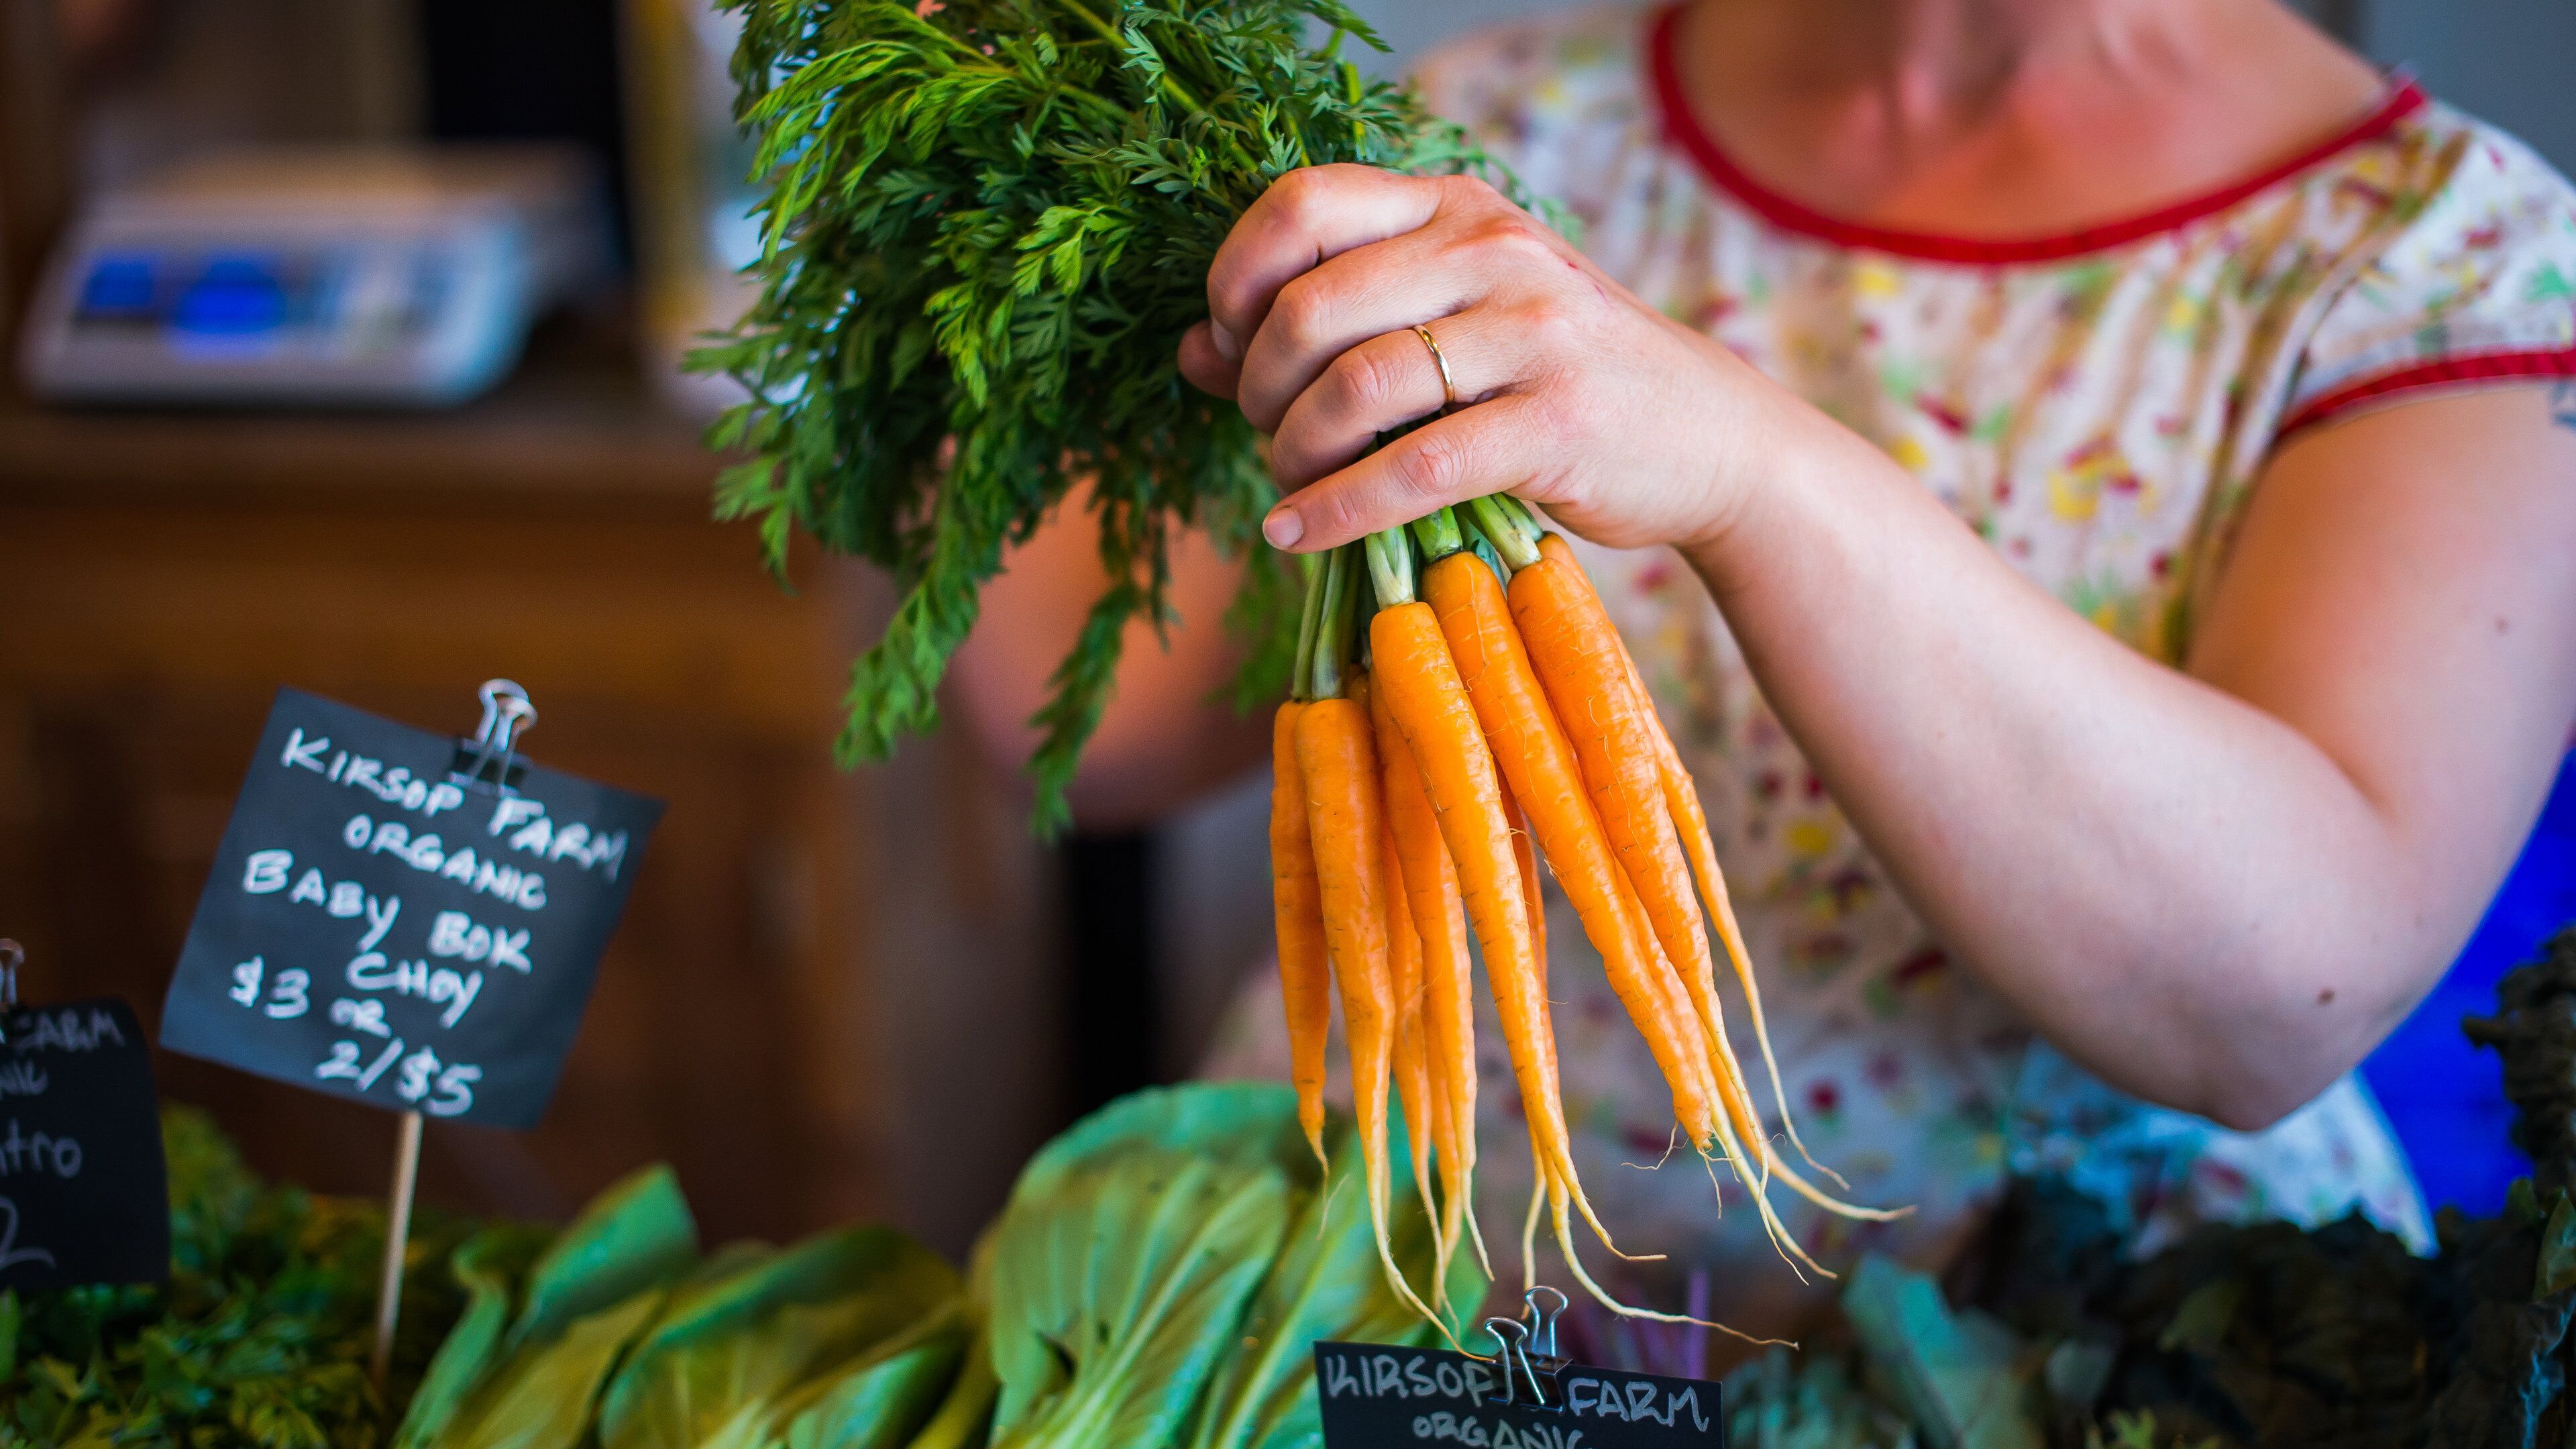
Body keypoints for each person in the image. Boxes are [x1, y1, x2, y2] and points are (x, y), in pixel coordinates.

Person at [952, 0, 2576, 1345]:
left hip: (2057, 1346)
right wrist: (971, 202)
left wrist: (1748, 470)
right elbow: (1102, 729)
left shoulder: (2444, 262)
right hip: (1403, 1302)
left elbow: (2275, 1002)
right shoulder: (1502, 127)